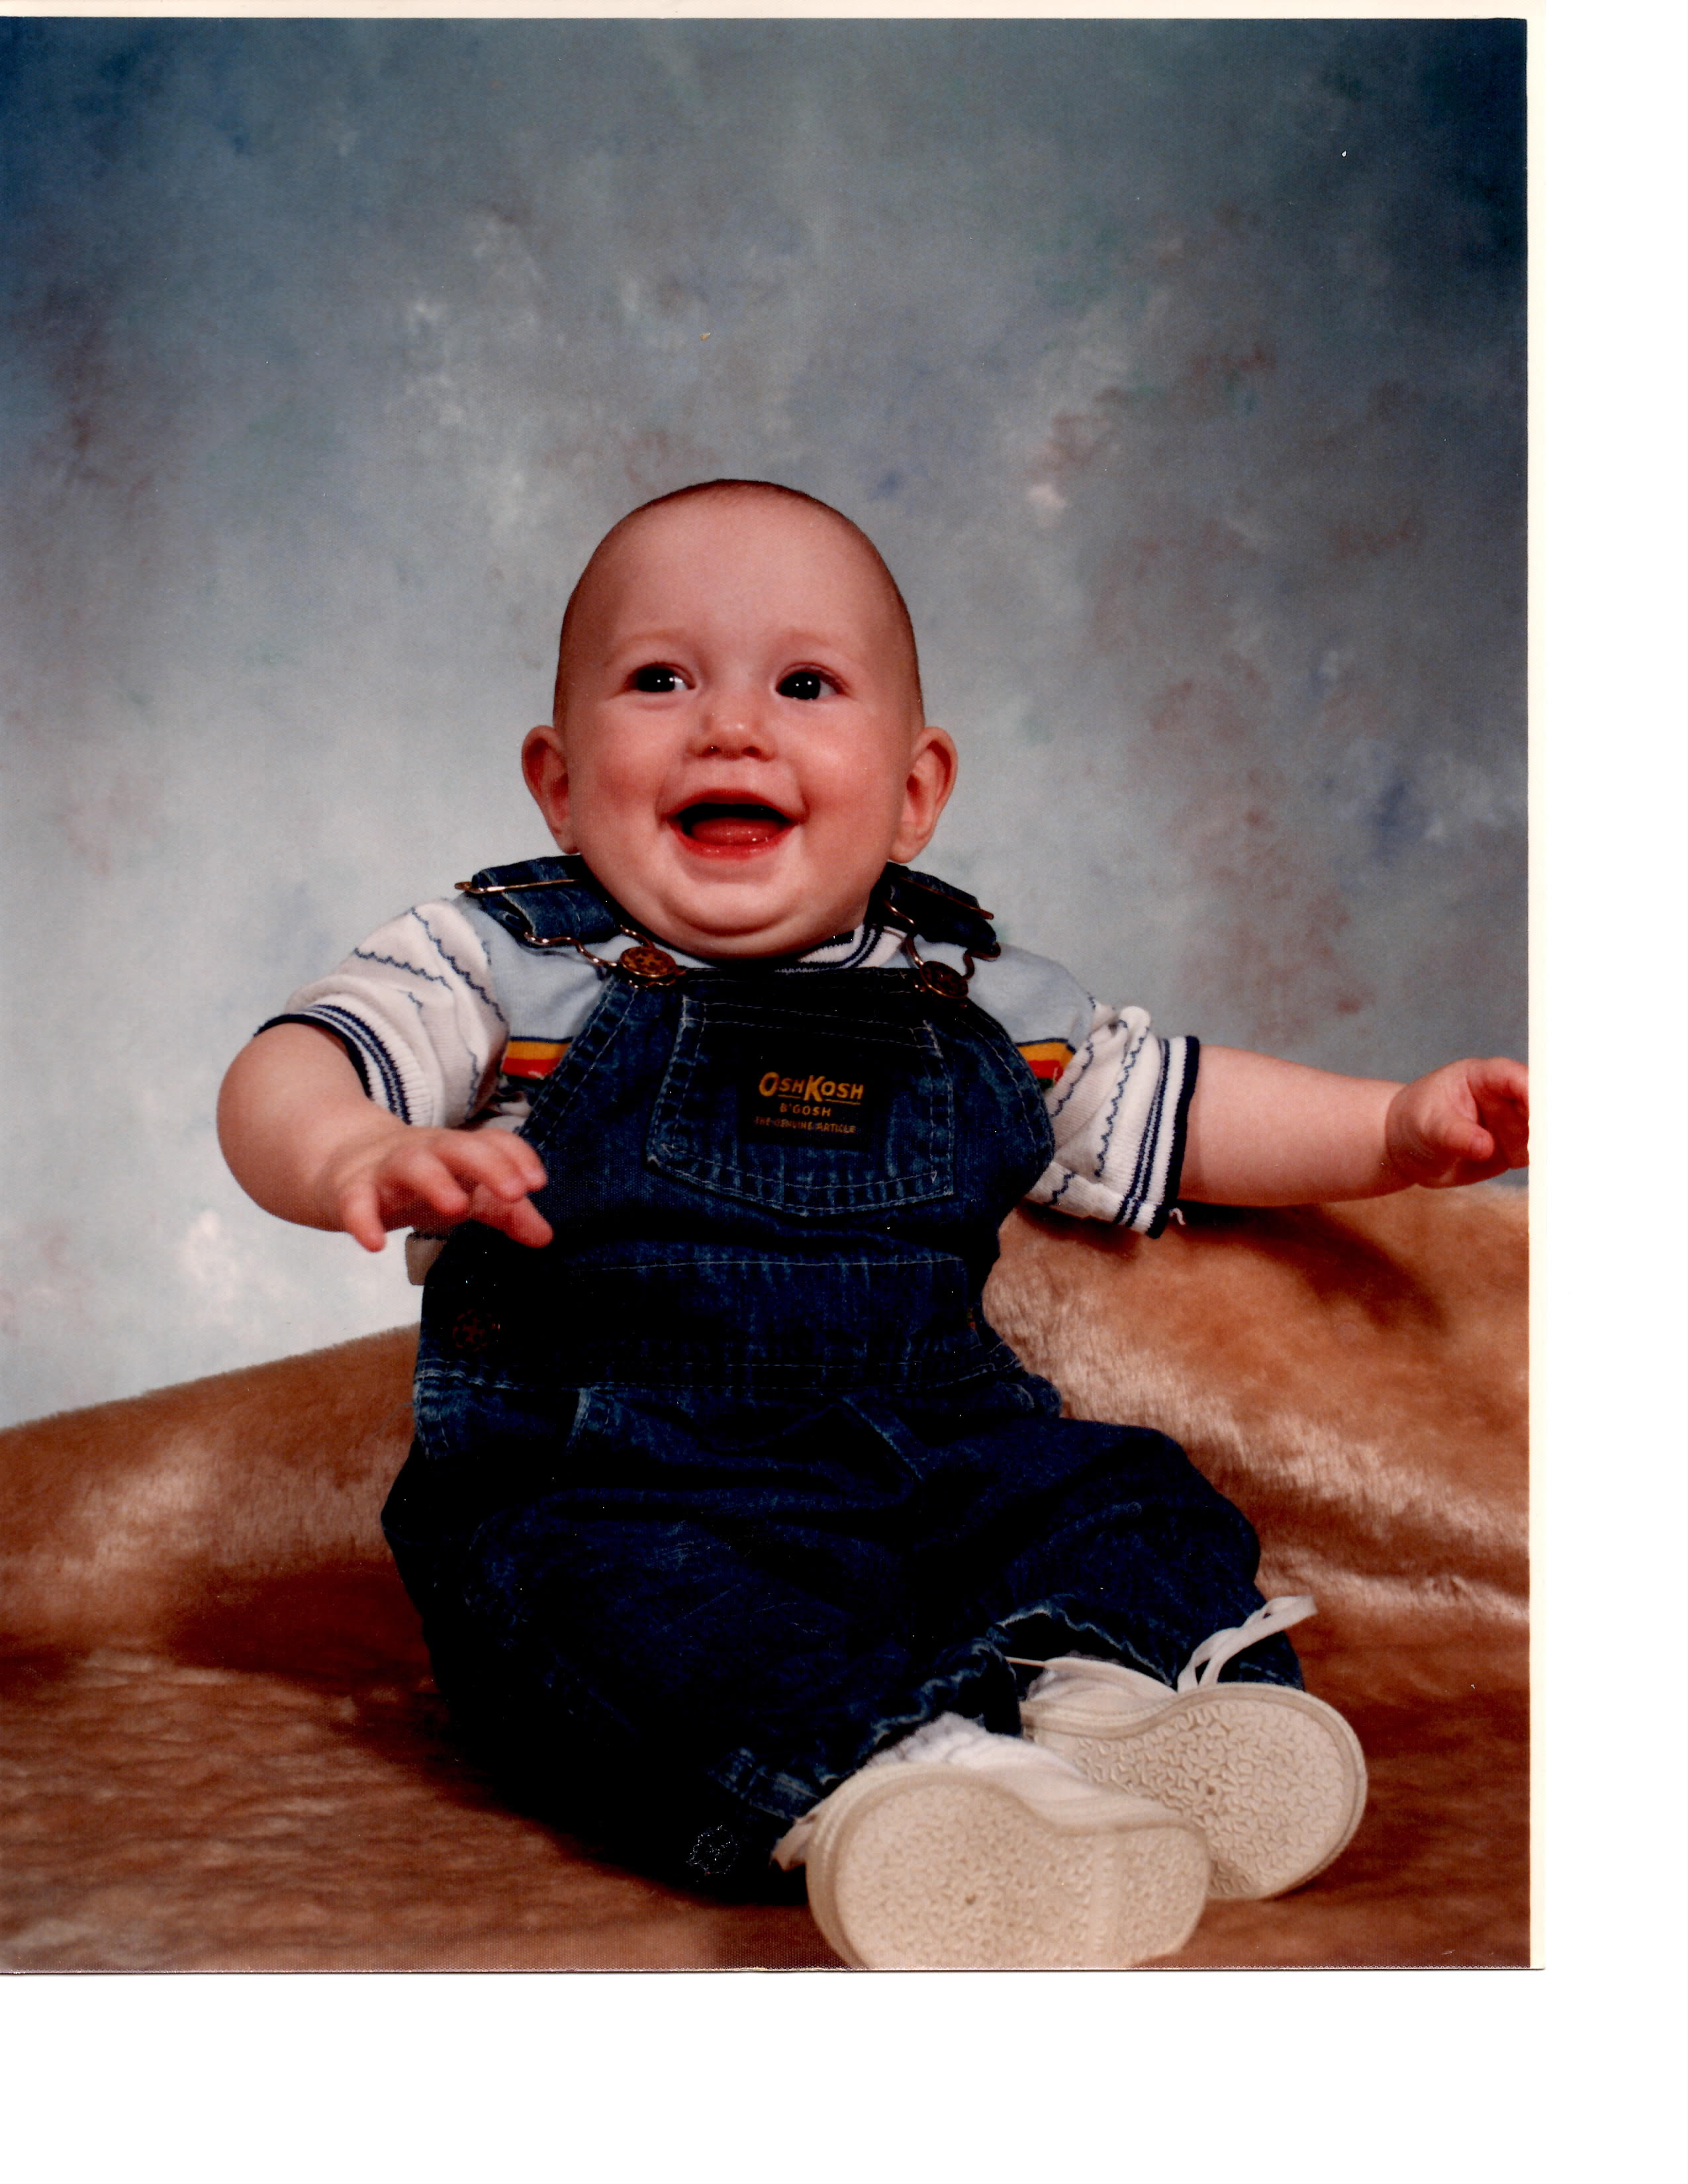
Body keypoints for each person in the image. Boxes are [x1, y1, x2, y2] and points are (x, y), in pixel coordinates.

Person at [218, 479, 1528, 1968]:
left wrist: (1388, 1131)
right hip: (617, 1475)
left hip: (936, 1450)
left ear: (913, 792)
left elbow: (1177, 1105)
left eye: (804, 685)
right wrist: (354, 1145)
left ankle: (1123, 1712)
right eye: (661, 680)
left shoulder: (978, 997)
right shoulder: (501, 968)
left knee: (1118, 1497)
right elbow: (293, 1064)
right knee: (607, 1609)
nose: (731, 727)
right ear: (560, 782)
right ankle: (903, 1792)